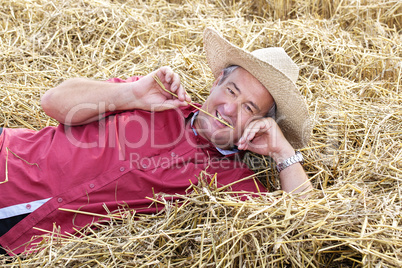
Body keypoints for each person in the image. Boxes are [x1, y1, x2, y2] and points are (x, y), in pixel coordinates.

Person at [0, 27, 312, 255]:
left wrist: (283, 152)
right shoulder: (155, 98)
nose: (228, 109)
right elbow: (53, 102)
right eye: (231, 91)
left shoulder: (232, 184)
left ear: (261, 123)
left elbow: (305, 228)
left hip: (25, 238)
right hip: (9, 160)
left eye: (248, 108)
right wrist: (130, 93)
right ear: (217, 82)